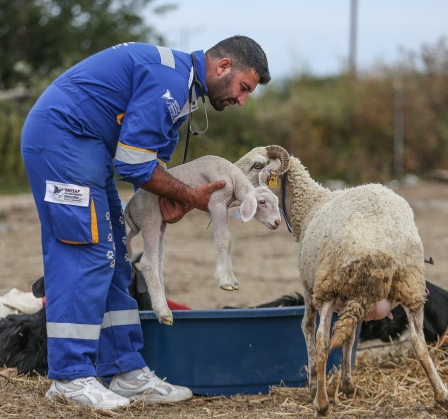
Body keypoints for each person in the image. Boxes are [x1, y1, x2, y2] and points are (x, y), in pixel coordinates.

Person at [20, 35, 271, 410]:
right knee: (85, 251)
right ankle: (70, 378)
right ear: (223, 67)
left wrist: (172, 197)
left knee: (117, 256)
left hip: (90, 151)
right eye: (243, 88)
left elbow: (151, 164)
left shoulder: (183, 86)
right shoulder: (170, 83)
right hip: (62, 142)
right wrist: (190, 197)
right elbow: (134, 164)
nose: (241, 100)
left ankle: (125, 371)